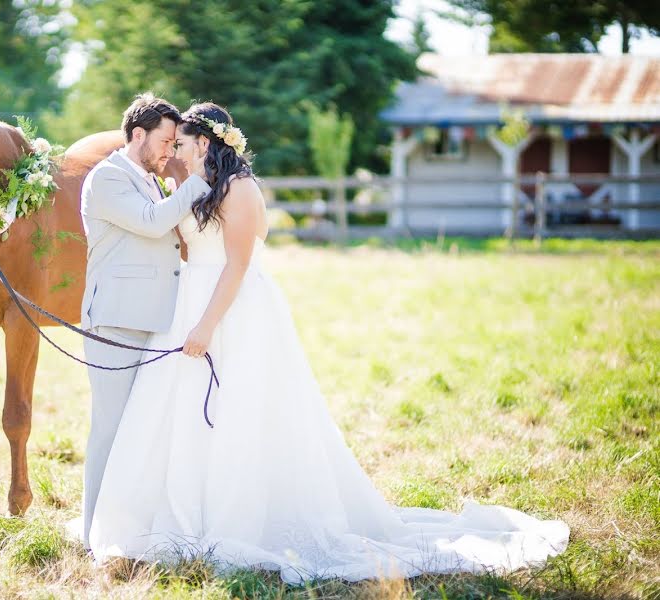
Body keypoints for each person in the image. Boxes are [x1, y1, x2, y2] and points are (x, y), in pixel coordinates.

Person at [85, 102, 570, 583]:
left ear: (206, 143)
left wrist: (207, 324)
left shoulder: (239, 188)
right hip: (188, 302)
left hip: (229, 310)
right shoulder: (191, 185)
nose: (177, 155)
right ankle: (181, 511)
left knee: (238, 411)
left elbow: (237, 264)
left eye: (184, 145)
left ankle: (237, 515)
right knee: (184, 416)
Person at [79, 93, 211, 550]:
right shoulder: (107, 178)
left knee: (140, 431)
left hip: (153, 318)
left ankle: (130, 526)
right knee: (110, 429)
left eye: (176, 143)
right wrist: (198, 180)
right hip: (115, 322)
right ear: (138, 135)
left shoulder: (149, 179)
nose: (170, 151)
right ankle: (91, 532)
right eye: (165, 141)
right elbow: (153, 224)